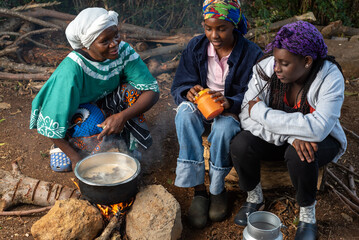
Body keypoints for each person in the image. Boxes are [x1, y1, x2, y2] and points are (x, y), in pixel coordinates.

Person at [230, 21, 347, 240]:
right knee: (241, 144)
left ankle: (307, 216)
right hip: (283, 136)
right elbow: (246, 114)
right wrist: (292, 136)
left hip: (323, 140)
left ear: (307, 61)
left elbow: (319, 129)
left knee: (301, 153)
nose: (276, 68)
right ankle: (254, 198)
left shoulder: (330, 77)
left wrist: (263, 114)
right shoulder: (266, 70)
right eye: (275, 60)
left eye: (284, 63)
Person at [29, 8, 159, 172]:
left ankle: (130, 144)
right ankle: (65, 143)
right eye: (105, 41)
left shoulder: (123, 51)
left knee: (132, 91)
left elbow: (152, 91)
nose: (114, 44)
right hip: (73, 114)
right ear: (87, 44)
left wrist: (122, 116)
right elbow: (50, 120)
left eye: (116, 35)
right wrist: (75, 159)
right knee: (89, 125)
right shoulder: (71, 69)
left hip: (104, 104)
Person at [171, 0, 263, 228]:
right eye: (208, 28)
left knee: (223, 127)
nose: (214, 34)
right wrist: (188, 91)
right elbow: (179, 85)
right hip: (202, 109)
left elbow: (257, 95)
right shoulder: (196, 47)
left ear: (234, 24)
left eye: (221, 28)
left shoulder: (252, 54)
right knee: (184, 113)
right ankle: (199, 191)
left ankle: (217, 189)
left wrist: (230, 102)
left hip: (231, 112)